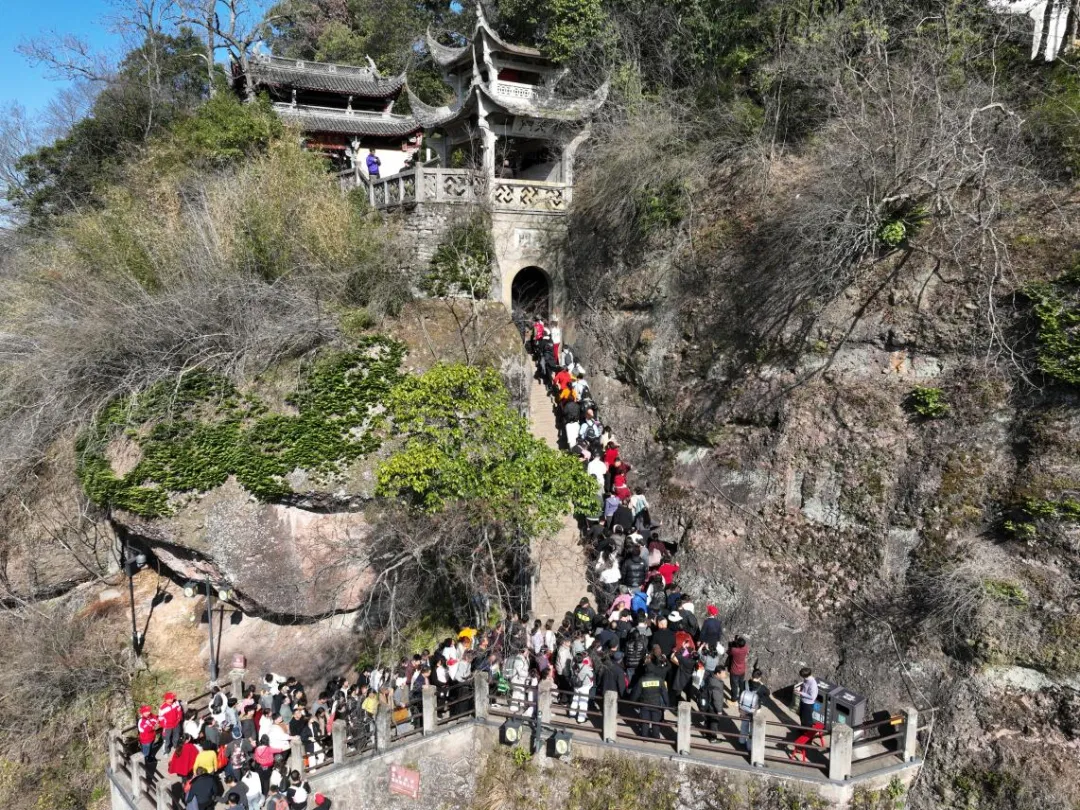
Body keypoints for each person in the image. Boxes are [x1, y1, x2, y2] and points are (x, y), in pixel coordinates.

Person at [629, 654, 669, 739]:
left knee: (644, 722)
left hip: (644, 704)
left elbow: (636, 693)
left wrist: (632, 702)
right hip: (656, 704)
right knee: (656, 723)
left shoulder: (642, 680)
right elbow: (664, 693)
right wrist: (667, 704)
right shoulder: (659, 680)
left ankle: (644, 736)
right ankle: (655, 736)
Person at [570, 653, 594, 724]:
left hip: (576, 685)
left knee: (575, 699)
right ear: (582, 659)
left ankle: (572, 713)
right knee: (583, 702)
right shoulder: (585, 667)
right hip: (584, 686)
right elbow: (591, 675)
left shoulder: (573, 666)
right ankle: (581, 718)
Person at [727, 636, 749, 703]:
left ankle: (733, 700)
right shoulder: (746, 648)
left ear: (737, 645)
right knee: (741, 684)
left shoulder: (734, 650)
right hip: (742, 670)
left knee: (734, 686)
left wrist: (732, 642)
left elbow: (728, 652)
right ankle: (742, 697)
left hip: (734, 671)